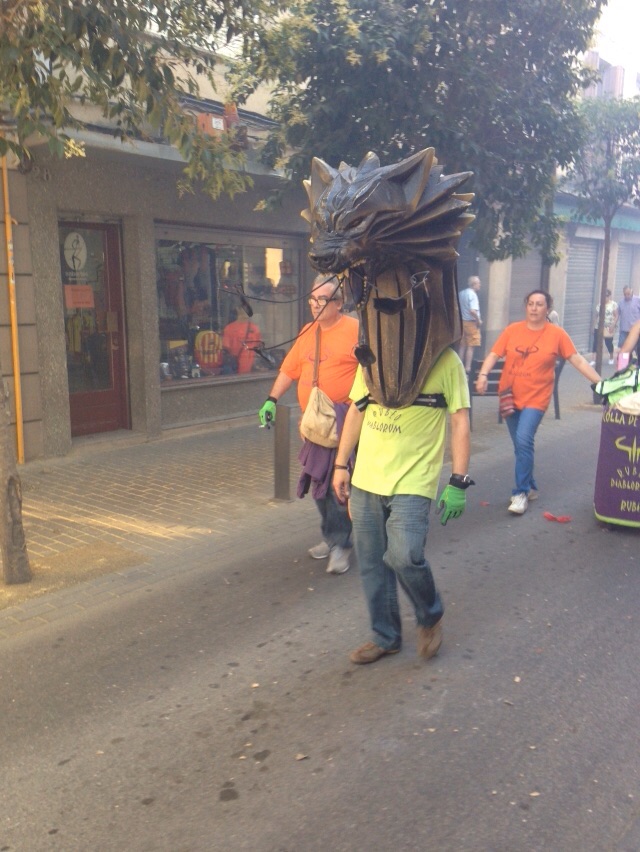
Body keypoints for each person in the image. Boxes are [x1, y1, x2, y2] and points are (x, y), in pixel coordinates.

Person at [332, 347, 472, 665]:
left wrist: (459, 480)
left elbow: (460, 419)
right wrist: (341, 465)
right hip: (366, 479)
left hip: (414, 480)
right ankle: (386, 637)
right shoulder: (373, 356)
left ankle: (430, 614)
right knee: (372, 564)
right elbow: (356, 411)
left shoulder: (445, 360)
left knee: (404, 556)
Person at [258, 275, 359, 574]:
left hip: (343, 423)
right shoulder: (307, 331)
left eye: (322, 300)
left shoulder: (356, 330)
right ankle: (332, 537)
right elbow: (288, 370)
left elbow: (373, 373)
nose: (315, 305)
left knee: (336, 486)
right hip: (314, 426)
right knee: (319, 484)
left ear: (338, 303)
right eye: (312, 299)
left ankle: (341, 544)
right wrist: (271, 399)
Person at [475, 290, 601, 516]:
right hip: (509, 395)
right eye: (530, 303)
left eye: (539, 304)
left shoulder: (556, 334)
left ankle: (520, 493)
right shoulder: (512, 330)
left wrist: (600, 383)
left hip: (537, 398)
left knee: (524, 439)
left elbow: (577, 360)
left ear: (547, 308)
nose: (534, 308)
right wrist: (483, 375)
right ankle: (531, 486)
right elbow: (494, 354)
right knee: (520, 445)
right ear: (526, 306)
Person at [222, 308, 262, 374]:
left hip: (252, 372)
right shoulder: (229, 328)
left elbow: (258, 347)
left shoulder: (255, 328)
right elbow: (227, 349)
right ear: (238, 309)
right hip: (235, 372)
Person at [457, 275, 482, 373]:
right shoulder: (473, 295)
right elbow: (472, 310)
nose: (480, 285)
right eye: (479, 283)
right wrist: (478, 320)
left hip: (461, 322)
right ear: (474, 284)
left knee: (462, 346)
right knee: (471, 346)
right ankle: (467, 368)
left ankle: (459, 367)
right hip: (471, 323)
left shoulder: (461, 293)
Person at [589, 290, 618, 366]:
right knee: (595, 343)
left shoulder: (613, 304)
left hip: (608, 327)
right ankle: (593, 359)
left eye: (607, 296)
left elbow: (616, 315)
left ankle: (611, 357)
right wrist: (593, 326)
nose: (605, 298)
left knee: (608, 343)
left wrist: (613, 325)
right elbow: (596, 316)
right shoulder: (599, 305)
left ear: (609, 296)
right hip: (598, 326)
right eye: (604, 296)